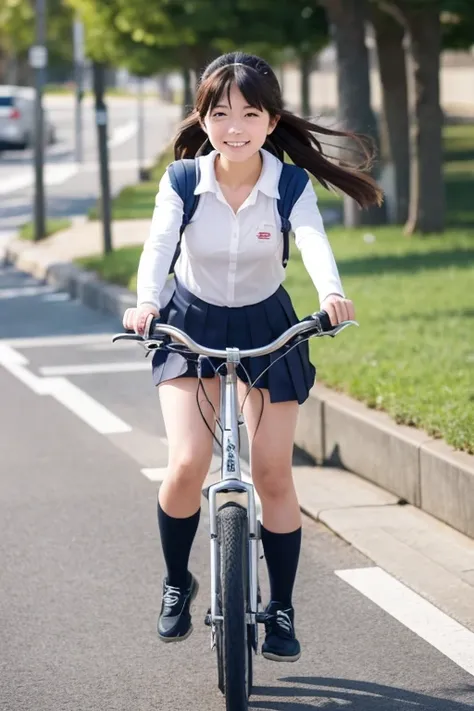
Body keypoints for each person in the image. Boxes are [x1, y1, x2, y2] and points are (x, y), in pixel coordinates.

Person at [123, 51, 383, 662]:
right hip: (188, 322)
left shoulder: (288, 184)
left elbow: (314, 239)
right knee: (187, 462)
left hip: (268, 325)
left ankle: (283, 606)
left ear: (271, 121)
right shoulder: (183, 179)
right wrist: (144, 304)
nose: (233, 125)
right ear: (202, 118)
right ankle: (175, 580)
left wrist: (332, 293)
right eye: (220, 112)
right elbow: (160, 243)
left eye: (249, 113)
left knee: (271, 472)